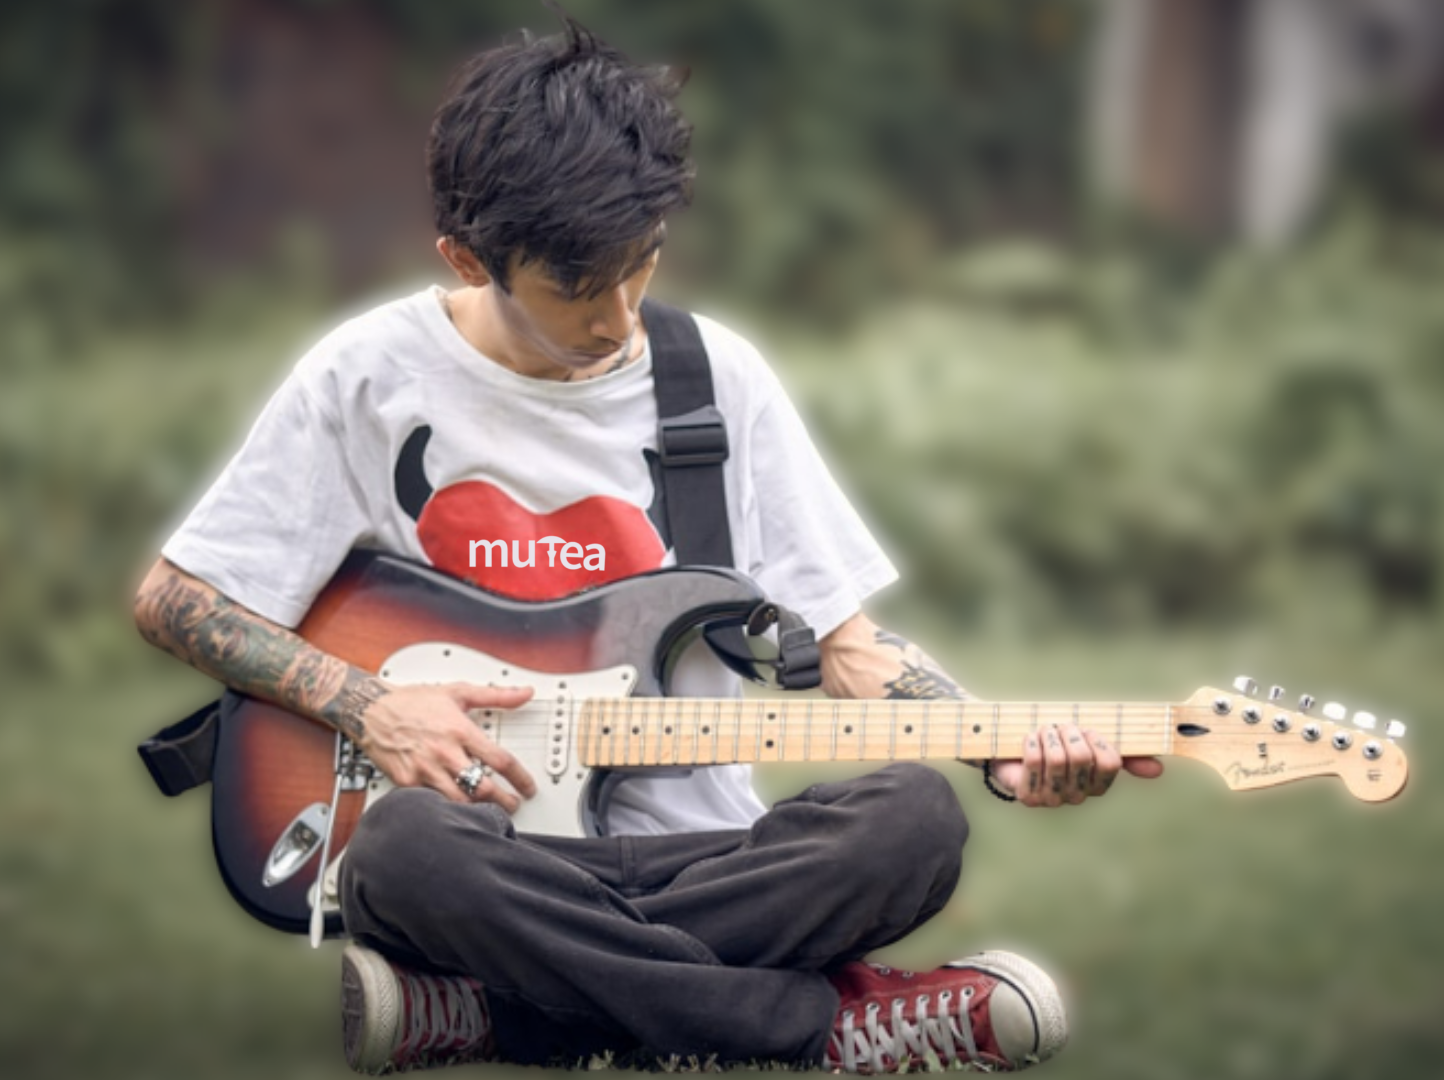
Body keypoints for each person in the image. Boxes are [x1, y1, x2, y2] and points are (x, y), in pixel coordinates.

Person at [131, 13, 1162, 1074]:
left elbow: (848, 648)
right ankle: (823, 1030)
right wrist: (368, 706)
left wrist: (1002, 750)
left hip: (707, 855)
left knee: (913, 822)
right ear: (466, 257)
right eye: (577, 288)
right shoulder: (367, 377)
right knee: (401, 853)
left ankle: (503, 1012)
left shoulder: (715, 381)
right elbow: (175, 598)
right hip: (489, 852)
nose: (620, 317)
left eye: (643, 266)